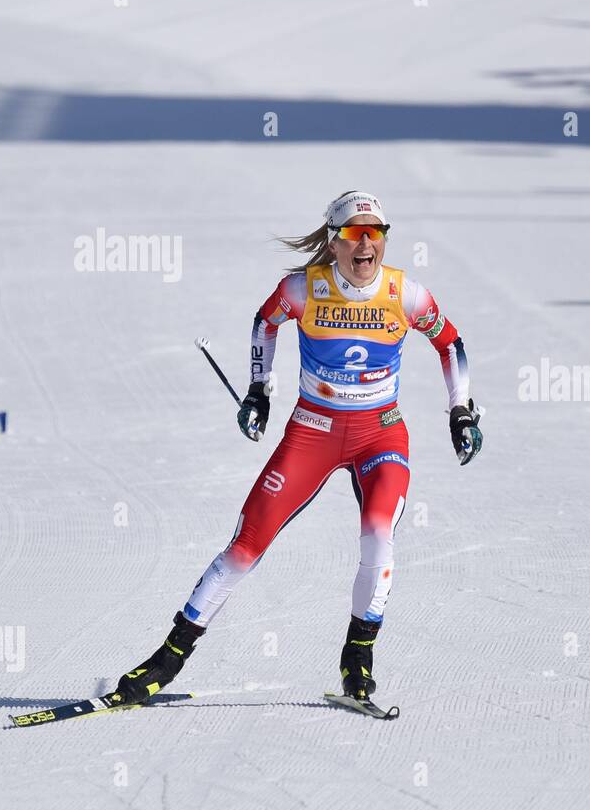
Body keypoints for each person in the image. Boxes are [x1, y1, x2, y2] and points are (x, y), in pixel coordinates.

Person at [110, 190, 483, 707]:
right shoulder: (304, 290)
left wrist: (460, 409)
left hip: (381, 431)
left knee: (378, 536)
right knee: (245, 546)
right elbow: (265, 322)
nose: (365, 245)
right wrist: (259, 391)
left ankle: (358, 662)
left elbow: (450, 343)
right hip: (313, 430)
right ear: (334, 242)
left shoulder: (406, 294)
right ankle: (166, 659)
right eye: (353, 234)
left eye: (375, 234)